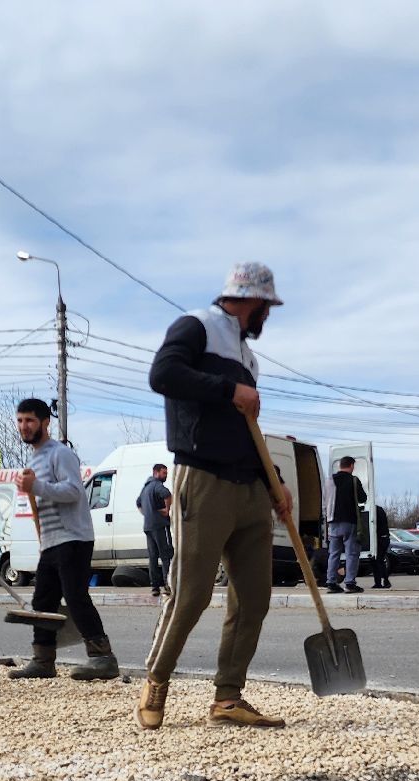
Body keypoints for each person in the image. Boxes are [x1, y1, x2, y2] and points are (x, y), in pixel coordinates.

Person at [137, 261, 293, 730]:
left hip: (249, 489)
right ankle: (156, 681)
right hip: (202, 479)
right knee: (191, 593)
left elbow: (246, 429)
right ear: (253, 300)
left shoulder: (248, 358)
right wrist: (228, 390)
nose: (268, 316)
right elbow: (162, 375)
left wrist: (275, 482)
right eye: (267, 307)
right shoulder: (196, 326)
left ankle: (228, 699)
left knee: (254, 598)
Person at [7, 398, 117, 681]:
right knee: (43, 599)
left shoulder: (60, 454)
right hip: (53, 541)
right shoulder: (35, 458)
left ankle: (103, 658)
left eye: (30, 420)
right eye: (20, 421)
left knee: (75, 596)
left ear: (46, 423)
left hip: (74, 538)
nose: (24, 426)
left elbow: (73, 492)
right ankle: (43, 660)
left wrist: (37, 486)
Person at [325, 456, 366, 594]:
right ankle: (349, 583)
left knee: (334, 553)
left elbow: (326, 499)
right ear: (351, 465)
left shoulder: (329, 480)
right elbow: (363, 498)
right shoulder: (353, 480)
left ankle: (331, 582)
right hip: (350, 521)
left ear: (340, 465)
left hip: (333, 521)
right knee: (351, 553)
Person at [137, 462, 173, 597]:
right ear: (156, 472)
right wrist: (167, 509)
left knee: (153, 557)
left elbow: (138, 503)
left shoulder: (145, 488)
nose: (166, 476)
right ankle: (167, 585)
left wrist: (147, 514)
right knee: (165, 555)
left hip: (148, 526)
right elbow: (168, 495)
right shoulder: (157, 485)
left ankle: (154, 587)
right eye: (164, 473)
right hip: (160, 524)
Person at [369, 503, 392, 589]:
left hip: (379, 539)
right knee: (380, 560)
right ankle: (383, 581)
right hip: (384, 538)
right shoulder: (379, 509)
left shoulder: (372, 510)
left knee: (376, 561)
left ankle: (380, 582)